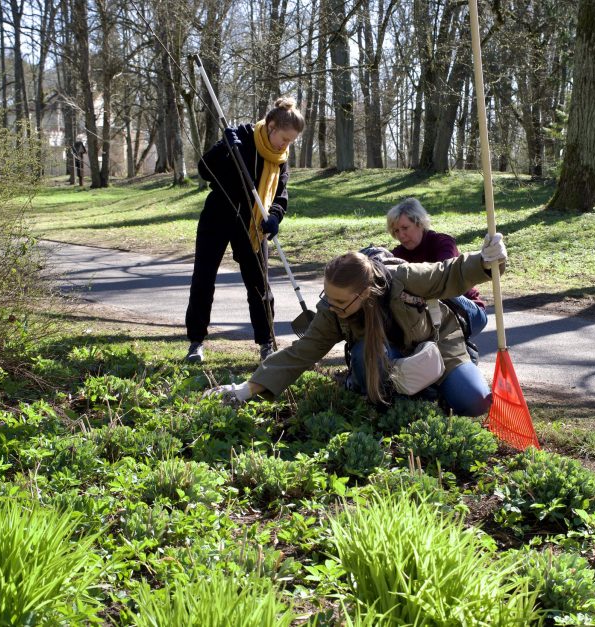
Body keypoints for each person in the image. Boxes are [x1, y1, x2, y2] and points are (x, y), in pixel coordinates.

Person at [205, 234, 508, 417]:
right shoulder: (333, 311)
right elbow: (301, 353)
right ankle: (385, 390)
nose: (332, 307)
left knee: (475, 402)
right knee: (367, 355)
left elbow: (449, 272)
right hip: (385, 356)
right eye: (328, 298)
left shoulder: (403, 277)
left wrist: (485, 259)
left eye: (340, 302)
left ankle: (433, 387)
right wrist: (246, 389)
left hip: (438, 344)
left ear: (364, 294)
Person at [185, 98, 305, 363]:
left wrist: (274, 217)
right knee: (203, 279)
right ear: (271, 126)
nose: (286, 146)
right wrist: (223, 147)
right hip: (218, 216)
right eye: (284, 139)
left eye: (291, 142)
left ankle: (266, 343)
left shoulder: (279, 158)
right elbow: (205, 170)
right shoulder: (240, 136)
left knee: (259, 284)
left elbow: (280, 196)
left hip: (252, 224)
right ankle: (196, 342)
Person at [387, 197, 488, 340]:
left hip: (469, 311)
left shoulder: (443, 242)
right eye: (396, 231)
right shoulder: (396, 255)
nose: (401, 235)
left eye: (405, 228)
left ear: (419, 223)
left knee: (440, 288)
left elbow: (442, 277)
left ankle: (460, 345)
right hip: (430, 319)